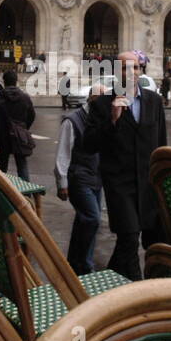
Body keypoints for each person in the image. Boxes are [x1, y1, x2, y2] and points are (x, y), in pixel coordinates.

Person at [81, 49, 167, 281]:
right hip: (119, 184)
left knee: (140, 241)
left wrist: (163, 180)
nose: (131, 72)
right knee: (129, 236)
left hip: (148, 183)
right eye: (124, 68)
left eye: (136, 67)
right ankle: (138, 292)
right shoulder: (103, 104)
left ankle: (108, 281)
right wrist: (113, 120)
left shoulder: (154, 102)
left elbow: (161, 143)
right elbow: (88, 144)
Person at [55, 84, 107, 274]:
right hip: (78, 177)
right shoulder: (72, 120)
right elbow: (63, 153)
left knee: (84, 219)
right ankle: (85, 264)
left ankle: (74, 262)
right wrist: (62, 183)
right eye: (101, 99)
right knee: (92, 218)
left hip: (95, 176)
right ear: (92, 99)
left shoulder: (101, 117)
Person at [0, 69, 36, 181]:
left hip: (3, 137)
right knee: (22, 166)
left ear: (4, 82)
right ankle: (26, 196)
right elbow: (32, 115)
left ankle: (3, 193)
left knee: (2, 169)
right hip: (20, 135)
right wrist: (23, 128)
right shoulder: (25, 97)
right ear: (16, 81)